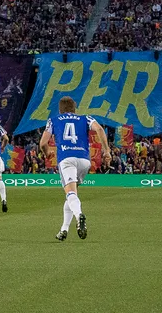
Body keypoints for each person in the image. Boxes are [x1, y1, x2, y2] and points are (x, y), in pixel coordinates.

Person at [39, 96, 109, 241]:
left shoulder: (53, 120)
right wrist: (106, 150)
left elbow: (43, 143)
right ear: (74, 108)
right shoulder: (86, 118)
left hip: (66, 159)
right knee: (72, 195)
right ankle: (63, 230)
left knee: (70, 194)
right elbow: (100, 129)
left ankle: (79, 216)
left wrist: (47, 153)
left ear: (60, 110)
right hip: (84, 160)